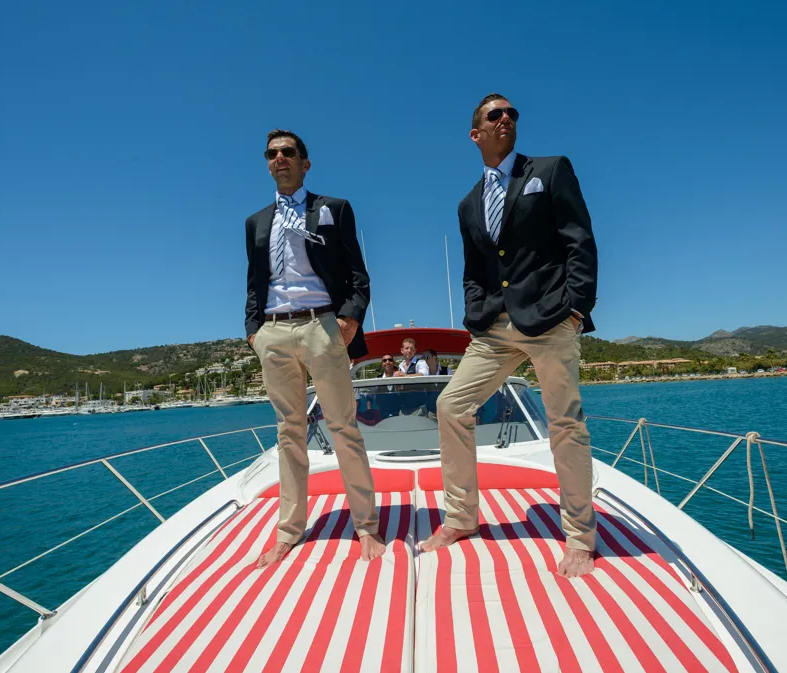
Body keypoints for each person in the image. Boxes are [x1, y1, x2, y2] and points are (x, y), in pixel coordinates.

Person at [420, 94, 599, 578]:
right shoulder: (468, 204)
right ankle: (460, 519)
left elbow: (579, 240)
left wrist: (577, 308)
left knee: (564, 422)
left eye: (512, 113)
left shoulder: (550, 169)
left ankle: (581, 537)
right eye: (494, 114)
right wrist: (477, 316)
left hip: (550, 318)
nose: (507, 118)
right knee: (451, 405)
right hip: (494, 328)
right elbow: (474, 270)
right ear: (476, 134)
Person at [245, 129, 384, 567]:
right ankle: (289, 530)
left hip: (322, 325)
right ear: (267, 163)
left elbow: (358, 274)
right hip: (273, 331)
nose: (279, 158)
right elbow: (254, 281)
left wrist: (349, 318)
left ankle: (366, 527)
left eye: (288, 152)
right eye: (272, 154)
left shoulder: (332, 209)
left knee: (343, 426)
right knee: (289, 433)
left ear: (305, 163)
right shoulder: (255, 222)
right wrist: (253, 329)